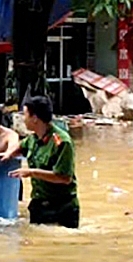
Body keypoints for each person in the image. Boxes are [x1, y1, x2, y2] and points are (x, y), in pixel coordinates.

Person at [6, 95, 79, 228]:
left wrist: (31, 172)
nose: (23, 119)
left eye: (26, 115)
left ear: (35, 118)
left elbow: (64, 177)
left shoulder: (62, 142)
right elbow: (22, 146)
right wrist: (8, 155)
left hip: (61, 208)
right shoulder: (33, 138)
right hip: (39, 205)